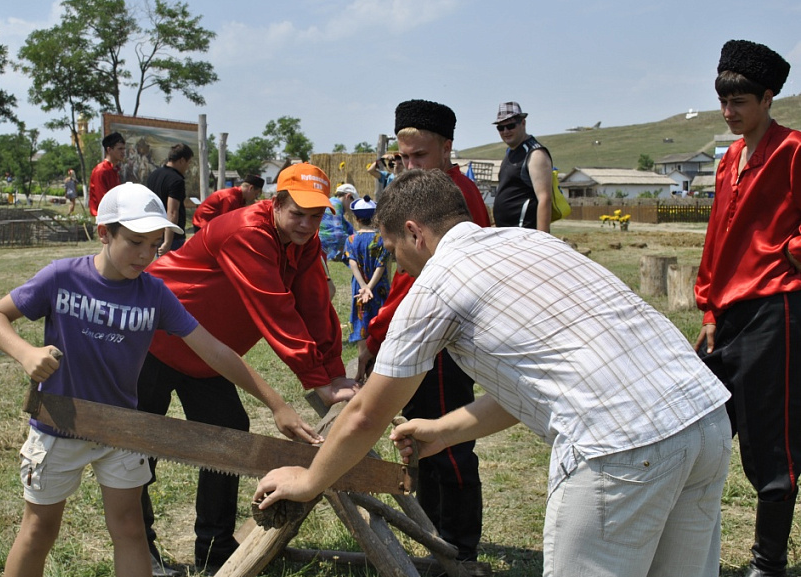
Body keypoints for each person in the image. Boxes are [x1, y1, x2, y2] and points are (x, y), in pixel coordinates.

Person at [256, 168, 734, 577]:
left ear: (414, 232)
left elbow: (367, 413)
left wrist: (308, 481)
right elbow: (542, 380)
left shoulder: (437, 285)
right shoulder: (530, 242)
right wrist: (444, 430)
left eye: (391, 248)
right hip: (705, 420)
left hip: (622, 444)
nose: (395, 260)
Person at [0, 183, 319, 577]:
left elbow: (215, 351)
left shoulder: (154, 294)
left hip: (124, 431)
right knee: (40, 529)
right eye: (135, 242)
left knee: (129, 528)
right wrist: (27, 353)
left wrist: (277, 405)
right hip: (60, 425)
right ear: (104, 232)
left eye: (155, 244)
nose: (146, 255)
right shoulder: (62, 277)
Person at [137, 162, 359, 572]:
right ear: (275, 203)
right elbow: (274, 306)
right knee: (138, 445)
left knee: (229, 438)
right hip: (152, 339)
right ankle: (138, 549)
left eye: (316, 216)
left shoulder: (303, 241)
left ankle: (215, 548)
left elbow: (313, 302)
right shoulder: (247, 231)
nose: (307, 225)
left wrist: (332, 374)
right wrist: (314, 379)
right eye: (297, 214)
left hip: (205, 355)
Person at [355, 99, 491, 569]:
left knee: (446, 441)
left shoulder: (453, 199)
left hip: (439, 335)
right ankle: (438, 536)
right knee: (422, 437)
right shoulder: (423, 192)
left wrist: (377, 331)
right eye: (402, 158)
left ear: (448, 149)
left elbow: (420, 287)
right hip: (419, 327)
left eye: (420, 157)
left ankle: (458, 548)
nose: (408, 167)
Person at [694, 39, 799, 577]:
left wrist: (788, 256)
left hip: (774, 308)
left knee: (768, 435)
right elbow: (716, 236)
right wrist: (708, 307)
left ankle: (768, 563)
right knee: (697, 423)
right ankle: (690, 547)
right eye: (723, 101)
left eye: (740, 102)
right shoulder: (728, 159)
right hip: (726, 312)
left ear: (767, 97)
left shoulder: (794, 150)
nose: (730, 112)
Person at [492, 102, 553, 232]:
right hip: (507, 235)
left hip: (524, 236)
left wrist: (542, 240)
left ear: (523, 123)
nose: (505, 131)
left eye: (510, 125)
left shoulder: (535, 154)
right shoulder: (511, 153)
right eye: (500, 128)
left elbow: (545, 199)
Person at [344, 195, 391, 354]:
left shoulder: (351, 239)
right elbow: (381, 265)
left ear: (356, 219)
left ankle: (361, 365)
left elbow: (352, 263)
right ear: (376, 218)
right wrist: (370, 287)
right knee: (381, 323)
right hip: (379, 289)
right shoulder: (381, 239)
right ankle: (376, 364)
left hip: (359, 290)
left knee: (361, 324)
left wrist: (364, 287)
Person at [146, 143, 193, 254]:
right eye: (188, 162)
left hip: (154, 231)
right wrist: (167, 242)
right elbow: (172, 212)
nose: (188, 167)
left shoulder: (153, 175)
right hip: (172, 238)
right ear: (181, 160)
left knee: (156, 268)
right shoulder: (177, 180)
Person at [191, 174, 264, 232]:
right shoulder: (230, 198)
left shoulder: (240, 197)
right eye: (256, 194)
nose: (255, 198)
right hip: (202, 223)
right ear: (250, 188)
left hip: (212, 225)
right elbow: (228, 224)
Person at [89, 132, 125, 217]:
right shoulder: (101, 170)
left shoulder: (114, 170)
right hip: (104, 219)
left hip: (113, 217)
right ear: (109, 150)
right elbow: (103, 200)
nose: (123, 152)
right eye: (120, 149)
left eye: (124, 149)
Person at [318, 183, 356, 264]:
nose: (352, 208)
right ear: (348, 196)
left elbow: (346, 226)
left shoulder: (332, 201)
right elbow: (337, 234)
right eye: (353, 203)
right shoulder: (336, 204)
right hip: (325, 243)